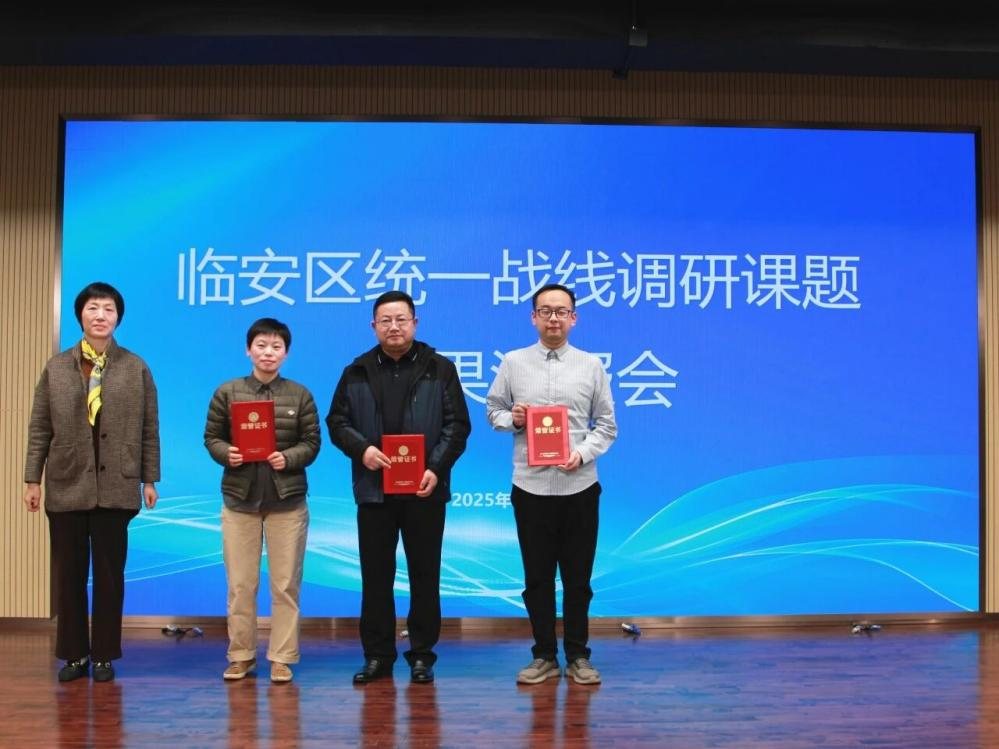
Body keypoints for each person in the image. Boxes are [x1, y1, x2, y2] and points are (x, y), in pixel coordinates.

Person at [327, 290, 471, 684]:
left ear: (415, 323)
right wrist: (363, 450)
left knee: (425, 575)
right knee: (376, 578)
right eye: (385, 320)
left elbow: (458, 425)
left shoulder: (440, 369)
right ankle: (377, 656)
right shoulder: (356, 371)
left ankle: (422, 655)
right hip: (375, 491)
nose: (394, 327)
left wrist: (436, 468)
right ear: (374, 326)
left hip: (424, 490)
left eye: (401, 319)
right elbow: (337, 423)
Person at [23, 281, 160, 683]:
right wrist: (32, 479)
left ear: (118, 317)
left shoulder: (135, 367)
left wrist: (149, 478)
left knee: (109, 576)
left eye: (108, 309)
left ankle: (103, 655)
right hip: (66, 484)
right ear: (80, 315)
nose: (100, 315)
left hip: (117, 484)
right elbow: (39, 427)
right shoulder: (56, 367)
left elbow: (149, 428)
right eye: (92, 308)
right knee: (69, 576)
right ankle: (73, 655)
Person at [486, 283, 617, 685]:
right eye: (545, 311)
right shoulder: (513, 362)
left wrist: (582, 453)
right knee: (537, 579)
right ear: (534, 318)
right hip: (531, 488)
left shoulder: (591, 365)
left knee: (578, 580)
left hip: (579, 487)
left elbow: (607, 425)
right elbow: (493, 411)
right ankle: (543, 654)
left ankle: (578, 655)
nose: (553, 318)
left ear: (573, 318)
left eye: (561, 311)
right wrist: (514, 419)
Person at [204, 318, 320, 684]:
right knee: (241, 586)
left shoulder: (300, 395)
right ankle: (241, 656)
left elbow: (312, 442)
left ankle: (282, 657)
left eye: (276, 347)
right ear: (248, 350)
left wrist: (289, 457)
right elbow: (212, 437)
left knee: (285, 585)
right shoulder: (227, 392)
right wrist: (226, 453)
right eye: (261, 345)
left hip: (288, 502)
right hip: (240, 500)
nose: (268, 352)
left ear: (286, 353)